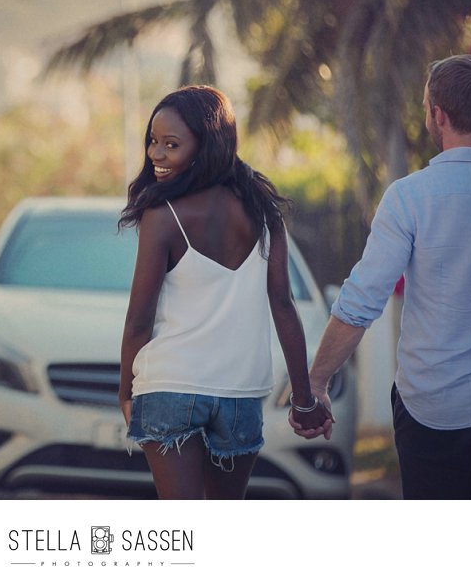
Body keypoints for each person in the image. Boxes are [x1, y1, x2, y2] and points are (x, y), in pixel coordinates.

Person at [295, 54, 471, 499]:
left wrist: (315, 384)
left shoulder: (408, 198)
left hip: (430, 409)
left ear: (437, 115)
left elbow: (361, 302)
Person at [118, 85, 332, 499]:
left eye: (171, 144)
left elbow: (138, 321)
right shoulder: (264, 213)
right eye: (153, 141)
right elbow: (283, 307)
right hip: (241, 394)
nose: (156, 155)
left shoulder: (162, 216)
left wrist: (125, 390)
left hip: (169, 386)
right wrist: (303, 401)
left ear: (207, 146)